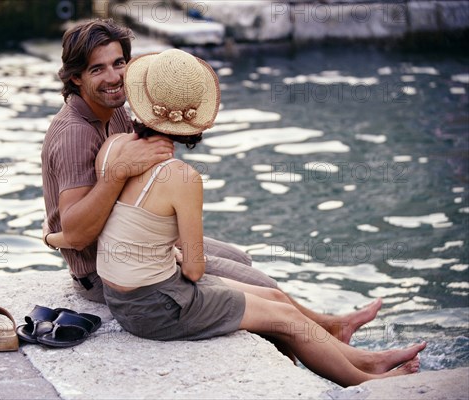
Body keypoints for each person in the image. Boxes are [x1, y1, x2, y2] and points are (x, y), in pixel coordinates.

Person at [93, 48, 426, 387]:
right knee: (282, 317)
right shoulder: (181, 177)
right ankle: (366, 384)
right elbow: (194, 270)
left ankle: (368, 359)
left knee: (276, 298)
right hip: (156, 307)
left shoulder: (114, 146)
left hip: (122, 295)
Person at [41, 18, 381, 345]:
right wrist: (116, 177)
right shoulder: (75, 134)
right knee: (258, 282)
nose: (114, 77)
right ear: (75, 78)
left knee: (239, 258)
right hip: (105, 274)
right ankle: (312, 335)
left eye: (119, 63)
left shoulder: (112, 108)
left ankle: (328, 326)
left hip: (130, 242)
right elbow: (77, 232)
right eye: (97, 69)